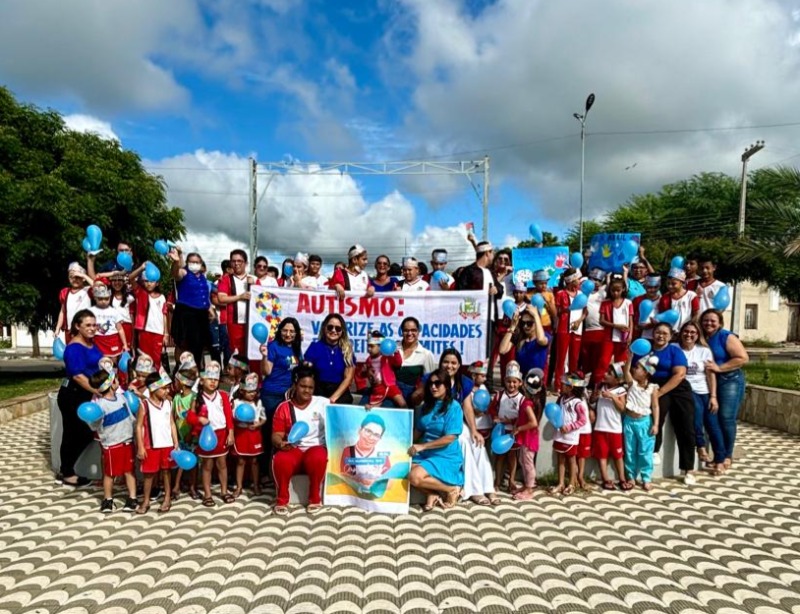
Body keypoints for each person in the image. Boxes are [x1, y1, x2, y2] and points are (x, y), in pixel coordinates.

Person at [271, 364, 330, 515]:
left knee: (318, 456)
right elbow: (276, 434)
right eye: (303, 386)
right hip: (294, 450)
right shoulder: (284, 407)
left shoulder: (324, 403)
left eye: (310, 387)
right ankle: (282, 499)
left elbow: (339, 420)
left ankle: (314, 498)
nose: (307, 391)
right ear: (295, 386)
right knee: (281, 459)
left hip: (315, 449)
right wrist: (280, 443)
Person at [57, 310, 105, 487]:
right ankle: (67, 472)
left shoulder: (92, 344)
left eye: (94, 325)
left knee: (83, 432)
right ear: (77, 326)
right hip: (72, 394)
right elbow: (77, 375)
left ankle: (66, 468)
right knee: (75, 432)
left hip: (87, 393)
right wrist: (98, 390)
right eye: (88, 325)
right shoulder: (74, 348)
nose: (92, 329)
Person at [408, 369, 464, 512]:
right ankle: (432, 493)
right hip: (426, 454)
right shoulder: (426, 405)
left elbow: (450, 437)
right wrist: (404, 446)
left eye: (438, 383)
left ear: (446, 386)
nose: (433, 387)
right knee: (402, 468)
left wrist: (423, 446)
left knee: (414, 477)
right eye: (431, 384)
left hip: (445, 455)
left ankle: (451, 489)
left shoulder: (454, 407)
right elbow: (418, 430)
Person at [700, 309, 749, 470]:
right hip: (711, 382)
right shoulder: (703, 338)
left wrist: (720, 368)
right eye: (706, 320)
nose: (709, 323)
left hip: (730, 380)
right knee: (713, 418)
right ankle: (718, 455)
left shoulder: (726, 336)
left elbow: (742, 358)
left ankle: (727, 455)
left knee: (726, 418)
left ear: (720, 322)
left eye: (712, 320)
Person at [676, 320, 726, 475]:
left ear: (698, 335)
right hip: (685, 391)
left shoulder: (704, 351)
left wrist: (713, 396)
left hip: (704, 391)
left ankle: (720, 460)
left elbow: (710, 375)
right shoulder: (674, 349)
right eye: (686, 331)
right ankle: (700, 446)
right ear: (681, 333)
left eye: (693, 332)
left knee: (713, 424)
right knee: (696, 413)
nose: (689, 335)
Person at [650, 322, 697, 485]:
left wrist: (660, 392)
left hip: (677, 386)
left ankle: (688, 469)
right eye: (657, 332)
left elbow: (679, 374)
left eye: (664, 333)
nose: (660, 336)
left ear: (670, 336)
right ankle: (655, 450)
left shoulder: (674, 351)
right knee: (656, 415)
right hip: (655, 385)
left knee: (685, 425)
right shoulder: (646, 350)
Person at [87, 369, 138, 513]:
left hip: (127, 442)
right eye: (114, 380)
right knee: (109, 474)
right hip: (111, 445)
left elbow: (131, 418)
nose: (117, 382)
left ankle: (132, 498)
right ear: (110, 384)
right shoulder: (100, 406)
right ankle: (108, 500)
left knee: (129, 471)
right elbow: (94, 426)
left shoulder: (122, 399)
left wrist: (136, 432)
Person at [259, 317, 303, 475]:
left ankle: (279, 470)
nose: (288, 334)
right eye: (285, 330)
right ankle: (264, 473)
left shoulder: (297, 349)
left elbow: (299, 372)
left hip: (289, 397)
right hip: (271, 396)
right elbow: (267, 371)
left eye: (292, 331)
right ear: (280, 331)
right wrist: (264, 356)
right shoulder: (273, 346)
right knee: (268, 434)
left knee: (285, 434)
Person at [188, 361, 235, 507]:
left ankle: (224, 491)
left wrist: (231, 433)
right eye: (210, 379)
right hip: (205, 436)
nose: (213, 382)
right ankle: (207, 494)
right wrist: (198, 419)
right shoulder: (196, 398)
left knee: (222, 464)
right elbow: (189, 417)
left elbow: (228, 416)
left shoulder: (223, 395)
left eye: (216, 379)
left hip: (221, 434)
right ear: (202, 380)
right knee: (207, 465)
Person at [135, 369, 179, 514]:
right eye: (164, 388)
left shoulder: (168, 403)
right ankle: (146, 500)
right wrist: (140, 447)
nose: (167, 391)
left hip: (167, 445)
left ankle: (167, 498)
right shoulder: (144, 405)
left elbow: (171, 423)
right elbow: (139, 426)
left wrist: (175, 442)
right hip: (151, 445)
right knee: (149, 474)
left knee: (166, 472)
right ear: (153, 388)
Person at [488, 361, 531, 494]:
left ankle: (511, 481)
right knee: (499, 457)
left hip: (513, 432)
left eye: (514, 382)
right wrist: (495, 417)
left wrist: (512, 421)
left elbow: (523, 417)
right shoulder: (499, 395)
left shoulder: (522, 399)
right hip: (500, 430)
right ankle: (497, 481)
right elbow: (491, 409)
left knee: (512, 457)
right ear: (505, 381)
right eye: (509, 382)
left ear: (520, 383)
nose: (511, 385)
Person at [622, 354, 660, 491]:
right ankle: (631, 476)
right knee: (630, 450)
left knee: (645, 451)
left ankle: (646, 477)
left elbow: (655, 406)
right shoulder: (632, 384)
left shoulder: (653, 388)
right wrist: (630, 356)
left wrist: (655, 424)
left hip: (645, 423)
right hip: (629, 422)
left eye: (637, 368)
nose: (633, 369)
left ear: (646, 372)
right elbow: (626, 370)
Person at [169, 248, 212, 369]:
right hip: (186, 314)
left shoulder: (202, 277)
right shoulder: (184, 272)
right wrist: (176, 262)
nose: (194, 264)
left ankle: (196, 370)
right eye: (191, 262)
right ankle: (180, 370)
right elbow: (176, 274)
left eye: (197, 262)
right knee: (183, 345)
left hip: (201, 315)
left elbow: (203, 295)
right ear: (187, 263)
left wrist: (209, 309)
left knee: (199, 346)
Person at [549, 372, 588, 496]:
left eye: (564, 384)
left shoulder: (578, 403)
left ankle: (572, 483)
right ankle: (560, 483)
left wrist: (570, 427)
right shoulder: (561, 399)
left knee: (571, 460)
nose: (561, 385)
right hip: (560, 435)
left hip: (570, 437)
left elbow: (583, 420)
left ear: (571, 387)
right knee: (560, 459)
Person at [591, 362, 628, 491]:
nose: (605, 374)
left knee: (618, 455)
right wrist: (594, 397)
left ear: (617, 379)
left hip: (615, 429)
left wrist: (612, 397)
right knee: (602, 455)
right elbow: (592, 402)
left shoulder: (620, 390)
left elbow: (622, 408)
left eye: (609, 373)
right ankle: (605, 478)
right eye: (606, 372)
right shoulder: (600, 387)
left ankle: (622, 478)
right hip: (600, 427)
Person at [303, 313, 355, 404]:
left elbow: (348, 378)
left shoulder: (347, 350)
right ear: (324, 328)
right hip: (318, 391)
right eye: (330, 327)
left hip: (340, 393)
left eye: (338, 328)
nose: (334, 330)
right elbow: (307, 372)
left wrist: (333, 398)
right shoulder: (314, 347)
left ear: (342, 331)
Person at [232, 373, 266, 498]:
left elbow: (263, 418)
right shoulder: (236, 402)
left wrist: (258, 425)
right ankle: (239, 486)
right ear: (242, 391)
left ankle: (256, 484)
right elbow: (232, 417)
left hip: (254, 434)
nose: (252, 394)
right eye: (249, 391)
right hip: (241, 434)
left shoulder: (258, 403)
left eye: (254, 391)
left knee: (254, 461)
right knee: (241, 461)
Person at [216, 249, 254, 358]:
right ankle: (236, 375)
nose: (236, 264)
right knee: (235, 354)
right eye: (233, 261)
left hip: (251, 323)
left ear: (245, 263)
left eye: (239, 261)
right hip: (234, 323)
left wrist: (255, 285)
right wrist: (240, 297)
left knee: (251, 354)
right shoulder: (226, 279)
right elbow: (221, 298)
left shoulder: (254, 279)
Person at [172, 352, 199, 500]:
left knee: (193, 463)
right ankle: (177, 486)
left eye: (175, 381)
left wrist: (191, 434)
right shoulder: (177, 398)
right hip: (181, 436)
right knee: (180, 462)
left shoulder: (193, 398)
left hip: (191, 436)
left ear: (181, 382)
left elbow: (194, 419)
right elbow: (175, 417)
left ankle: (192, 487)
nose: (173, 384)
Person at [499, 304, 550, 382]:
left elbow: (540, 339)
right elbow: (502, 350)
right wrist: (512, 327)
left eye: (529, 323)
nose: (525, 326)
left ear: (536, 322)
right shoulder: (519, 337)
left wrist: (536, 315)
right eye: (523, 323)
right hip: (521, 382)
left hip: (536, 382)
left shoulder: (544, 335)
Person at [340, 414, 392, 488]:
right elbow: (342, 476)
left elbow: (390, 482)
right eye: (368, 431)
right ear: (359, 430)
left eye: (376, 435)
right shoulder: (348, 451)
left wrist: (374, 482)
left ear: (380, 438)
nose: (371, 437)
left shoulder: (382, 456)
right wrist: (359, 479)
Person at [553, 268, 584, 391]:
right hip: (563, 329)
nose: (580, 281)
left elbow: (585, 311)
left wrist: (579, 321)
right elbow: (557, 312)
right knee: (561, 358)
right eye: (577, 279)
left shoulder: (581, 294)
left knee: (574, 358)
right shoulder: (561, 294)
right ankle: (558, 385)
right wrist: (569, 308)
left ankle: (572, 386)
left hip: (577, 329)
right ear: (571, 281)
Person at [598, 278, 633, 386]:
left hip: (623, 338)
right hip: (608, 337)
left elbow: (631, 321)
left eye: (618, 290)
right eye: (613, 290)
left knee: (620, 362)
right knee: (604, 361)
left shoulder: (628, 303)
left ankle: (619, 384)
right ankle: (599, 383)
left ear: (623, 289)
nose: (615, 293)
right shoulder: (605, 303)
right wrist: (616, 326)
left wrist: (630, 335)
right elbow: (601, 321)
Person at [358, 331, 406, 408]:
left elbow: (398, 363)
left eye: (372, 346)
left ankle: (408, 418)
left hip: (390, 386)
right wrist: (364, 371)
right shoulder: (368, 360)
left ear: (381, 347)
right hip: (377, 388)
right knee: (373, 406)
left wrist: (396, 352)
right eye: (368, 346)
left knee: (402, 404)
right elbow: (362, 375)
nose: (369, 349)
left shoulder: (387, 357)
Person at [132, 268, 168, 371]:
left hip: (158, 333)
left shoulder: (162, 297)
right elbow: (131, 279)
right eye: (146, 281)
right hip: (144, 332)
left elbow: (164, 315)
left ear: (157, 283)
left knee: (156, 359)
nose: (149, 284)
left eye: (152, 281)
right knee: (144, 359)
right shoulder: (140, 293)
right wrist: (142, 268)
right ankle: (145, 382)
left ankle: (156, 382)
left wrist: (166, 333)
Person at [395, 316, 437, 403]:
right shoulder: (393, 348)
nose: (409, 333)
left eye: (413, 330)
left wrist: (419, 393)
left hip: (410, 397)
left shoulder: (426, 354)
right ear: (402, 332)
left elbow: (429, 380)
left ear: (418, 332)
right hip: (391, 394)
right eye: (406, 330)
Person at [579, 268, 608, 389]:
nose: (595, 282)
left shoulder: (604, 293)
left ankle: (596, 384)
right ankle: (585, 384)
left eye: (598, 280)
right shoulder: (582, 293)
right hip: (586, 330)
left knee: (598, 359)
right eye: (592, 279)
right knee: (586, 359)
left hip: (601, 330)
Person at [56, 262, 94, 343]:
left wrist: (83, 275)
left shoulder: (87, 290)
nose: (75, 279)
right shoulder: (65, 292)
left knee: (84, 352)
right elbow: (62, 312)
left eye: (77, 277)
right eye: (72, 277)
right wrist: (57, 328)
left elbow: (99, 287)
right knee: (71, 353)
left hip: (85, 329)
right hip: (70, 330)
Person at [90, 281, 129, 359]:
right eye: (100, 299)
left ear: (110, 297)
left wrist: (125, 344)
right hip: (98, 339)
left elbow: (120, 329)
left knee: (114, 360)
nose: (103, 301)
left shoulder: (114, 311)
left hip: (113, 339)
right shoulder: (90, 311)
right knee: (100, 360)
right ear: (95, 298)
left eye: (106, 299)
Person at [657, 268, 699, 335]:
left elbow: (696, 314)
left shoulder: (691, 296)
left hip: (687, 333)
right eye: (668, 283)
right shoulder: (664, 298)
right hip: (670, 333)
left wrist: (689, 327)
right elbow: (663, 316)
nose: (670, 286)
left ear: (682, 282)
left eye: (674, 284)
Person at [633, 275, 661, 340]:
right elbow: (631, 317)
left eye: (655, 287)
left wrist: (653, 324)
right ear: (645, 286)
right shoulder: (637, 300)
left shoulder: (663, 300)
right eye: (649, 287)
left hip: (657, 337)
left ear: (659, 287)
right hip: (639, 335)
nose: (652, 290)